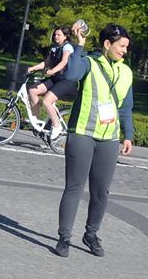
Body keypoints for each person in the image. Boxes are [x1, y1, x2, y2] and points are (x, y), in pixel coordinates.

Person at [54, 23, 135, 258]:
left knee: (101, 192)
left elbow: (126, 107)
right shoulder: (88, 63)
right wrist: (79, 45)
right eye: (121, 46)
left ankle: (91, 234)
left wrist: (128, 135)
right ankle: (64, 237)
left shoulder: (126, 72)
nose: (124, 51)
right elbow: (70, 75)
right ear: (107, 44)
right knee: (74, 187)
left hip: (109, 138)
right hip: (82, 133)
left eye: (126, 47)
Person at [26, 26, 75, 140]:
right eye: (55, 34)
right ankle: (37, 122)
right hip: (55, 78)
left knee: (47, 101)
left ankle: (57, 126)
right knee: (32, 90)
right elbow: (46, 63)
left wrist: (52, 71)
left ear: (65, 36)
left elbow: (64, 62)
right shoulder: (54, 47)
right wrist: (32, 68)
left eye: (59, 35)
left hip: (66, 80)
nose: (56, 36)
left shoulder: (67, 47)